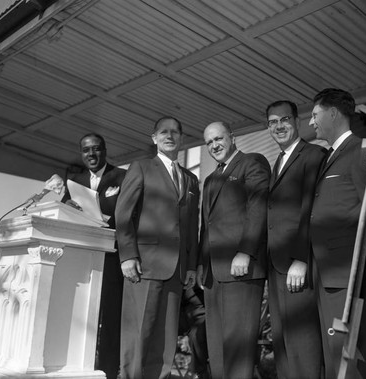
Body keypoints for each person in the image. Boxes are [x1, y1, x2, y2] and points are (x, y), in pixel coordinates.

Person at [309, 88, 366, 378]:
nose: (311, 123)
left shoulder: (362, 151)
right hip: (328, 275)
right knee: (335, 358)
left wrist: (365, 260)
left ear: (333, 113)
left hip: (347, 275)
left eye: (315, 115)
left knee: (351, 359)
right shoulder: (330, 157)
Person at [115, 116, 200, 379]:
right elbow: (123, 213)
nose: (170, 136)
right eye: (164, 132)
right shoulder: (140, 167)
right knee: (138, 334)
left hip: (177, 270)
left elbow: (191, 226)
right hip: (145, 265)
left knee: (165, 339)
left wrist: (191, 265)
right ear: (154, 138)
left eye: (176, 132)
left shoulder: (190, 179)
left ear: (182, 138)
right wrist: (128, 256)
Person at [196, 121, 270, 379]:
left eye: (219, 138)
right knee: (216, 350)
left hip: (242, 269)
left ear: (233, 137)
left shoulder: (252, 162)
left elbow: (258, 207)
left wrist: (246, 252)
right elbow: (206, 226)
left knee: (238, 350)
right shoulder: (210, 179)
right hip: (213, 275)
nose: (214, 145)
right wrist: (199, 265)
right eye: (209, 142)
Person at [265, 100, 327, 378]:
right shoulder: (277, 161)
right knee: (283, 342)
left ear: (297, 122)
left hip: (297, 264)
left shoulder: (313, 155)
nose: (278, 126)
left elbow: (311, 209)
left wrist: (301, 259)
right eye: (272, 122)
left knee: (303, 343)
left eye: (284, 120)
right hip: (277, 265)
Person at [61, 133, 126, 379]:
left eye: (96, 149)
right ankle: (80, 368)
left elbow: (130, 212)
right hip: (81, 259)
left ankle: (108, 371)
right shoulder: (74, 181)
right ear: (81, 153)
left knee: (110, 319)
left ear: (105, 150)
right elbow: (64, 211)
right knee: (81, 317)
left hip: (111, 258)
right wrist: (68, 207)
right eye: (86, 150)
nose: (91, 154)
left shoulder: (122, 176)